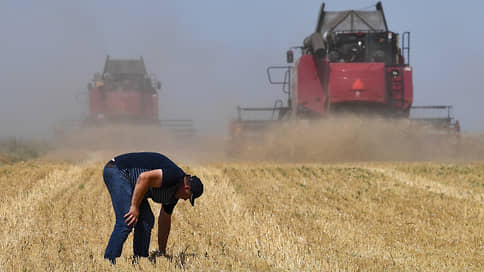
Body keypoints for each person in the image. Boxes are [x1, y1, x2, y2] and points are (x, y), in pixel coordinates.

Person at [102, 152, 204, 264]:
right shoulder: (173, 176)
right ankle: (108, 262)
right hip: (117, 169)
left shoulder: (173, 197)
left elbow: (164, 221)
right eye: (188, 197)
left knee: (147, 220)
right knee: (127, 219)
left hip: (135, 184)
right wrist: (134, 207)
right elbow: (144, 178)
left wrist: (162, 251)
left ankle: (139, 260)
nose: (185, 200)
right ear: (186, 188)